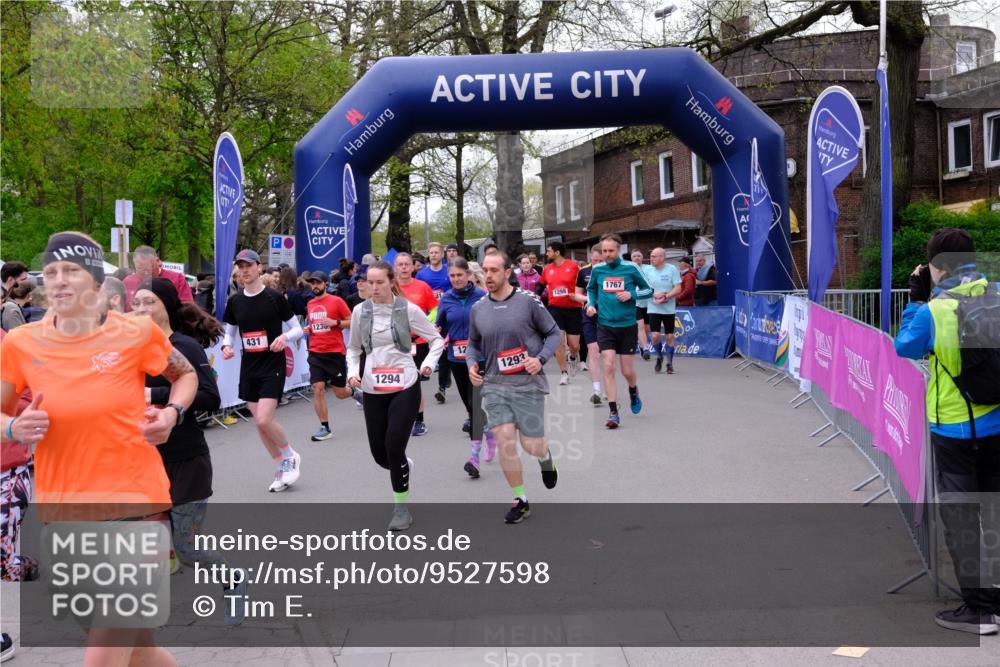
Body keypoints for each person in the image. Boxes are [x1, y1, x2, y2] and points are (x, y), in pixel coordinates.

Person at [1, 231, 197, 666]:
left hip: (135, 506)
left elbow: (185, 377)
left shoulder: (136, 332)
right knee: (137, 647)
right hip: (64, 510)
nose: (58, 280)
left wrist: (171, 414)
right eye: (51, 272)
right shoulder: (21, 343)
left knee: (103, 655)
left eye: (70, 270)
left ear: (94, 281)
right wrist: (14, 425)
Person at [894, 228, 1000, 635]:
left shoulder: (933, 311)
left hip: (956, 428)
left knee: (961, 518)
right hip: (996, 421)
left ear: (936, 267)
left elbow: (905, 346)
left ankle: (979, 611)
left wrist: (917, 298)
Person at [132, 277, 247, 625]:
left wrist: (155, 397)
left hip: (185, 462)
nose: (139, 309)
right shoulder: (128, 350)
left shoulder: (182, 347)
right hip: (142, 462)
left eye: (148, 302)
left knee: (188, 549)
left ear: (166, 306)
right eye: (135, 303)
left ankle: (232, 581)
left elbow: (210, 397)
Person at [347, 261, 444, 531]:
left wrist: (429, 364)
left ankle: (401, 508)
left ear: (392, 282)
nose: (374, 287)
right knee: (380, 455)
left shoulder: (408, 309)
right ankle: (401, 465)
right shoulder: (359, 312)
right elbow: (353, 349)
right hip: (373, 387)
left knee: (393, 446)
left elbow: (436, 340)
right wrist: (352, 371)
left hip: (405, 384)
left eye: (380, 282)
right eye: (370, 282)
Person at [468, 251, 561, 523]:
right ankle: (520, 500)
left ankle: (545, 458)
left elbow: (554, 333)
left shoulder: (528, 302)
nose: (488, 276)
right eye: (485, 270)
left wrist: (540, 359)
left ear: (508, 272)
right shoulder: (478, 308)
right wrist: (472, 364)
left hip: (527, 385)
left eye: (494, 270)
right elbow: (473, 344)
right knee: (506, 442)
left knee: (531, 445)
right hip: (495, 386)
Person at [221, 249, 306, 492]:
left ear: (259, 268)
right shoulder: (235, 301)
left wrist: (284, 338)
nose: (244, 270)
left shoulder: (273, 298)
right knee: (259, 424)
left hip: (273, 364)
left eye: (249, 265)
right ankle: (281, 466)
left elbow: (298, 329)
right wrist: (227, 346)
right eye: (240, 266)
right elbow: (231, 330)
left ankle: (290, 456)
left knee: (263, 418)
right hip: (249, 366)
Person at [585, 233, 653, 429]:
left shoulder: (630, 268)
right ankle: (613, 411)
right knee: (608, 366)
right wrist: (590, 304)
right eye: (604, 251)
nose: (607, 254)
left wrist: (630, 294)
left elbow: (648, 290)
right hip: (605, 325)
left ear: (619, 250)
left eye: (611, 251)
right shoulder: (598, 270)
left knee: (627, 370)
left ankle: (633, 390)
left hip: (627, 325)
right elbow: (591, 290)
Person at [435, 258, 488, 477]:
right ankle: (489, 433)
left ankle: (474, 458)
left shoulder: (482, 297)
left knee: (475, 404)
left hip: (479, 358)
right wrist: (437, 336)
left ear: (468, 275)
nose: (456, 279)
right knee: (469, 405)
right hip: (456, 359)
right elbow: (440, 326)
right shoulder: (446, 299)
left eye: (460, 275)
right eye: (452, 276)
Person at [304, 271, 362, 441]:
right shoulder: (310, 303)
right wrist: (308, 329)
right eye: (312, 283)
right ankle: (325, 427)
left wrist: (335, 323)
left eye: (317, 283)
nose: (314, 286)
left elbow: (352, 322)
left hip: (334, 353)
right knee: (318, 389)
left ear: (325, 283)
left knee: (339, 392)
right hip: (315, 352)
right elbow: (313, 324)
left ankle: (353, 392)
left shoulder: (336, 301)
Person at [394, 253, 438, 436]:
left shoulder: (422, 287)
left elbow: (435, 308)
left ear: (413, 267)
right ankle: (398, 417)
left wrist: (425, 325)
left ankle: (419, 420)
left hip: (418, 342)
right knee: (398, 382)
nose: (404, 267)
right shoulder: (390, 288)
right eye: (400, 265)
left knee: (415, 382)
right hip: (396, 342)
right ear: (395, 268)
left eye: (407, 264)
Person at [540, 241, 582, 386]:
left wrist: (579, 295)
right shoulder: (547, 269)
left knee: (574, 345)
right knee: (558, 341)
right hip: (555, 308)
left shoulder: (573, 266)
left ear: (557, 252)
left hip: (573, 308)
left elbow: (582, 284)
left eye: (549, 251)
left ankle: (573, 357)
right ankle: (564, 373)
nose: (547, 254)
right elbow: (541, 285)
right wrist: (534, 298)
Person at [416, 243, 453, 404]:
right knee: (429, 350)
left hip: (446, 315)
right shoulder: (422, 274)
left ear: (442, 254)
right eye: (431, 253)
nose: (434, 255)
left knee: (443, 351)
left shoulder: (448, 271)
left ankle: (442, 387)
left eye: (437, 252)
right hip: (427, 318)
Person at [574, 244, 606, 404]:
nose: (597, 264)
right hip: (588, 314)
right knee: (594, 351)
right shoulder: (583, 272)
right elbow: (577, 295)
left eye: (600, 261)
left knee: (607, 355)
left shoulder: (612, 271)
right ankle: (596, 390)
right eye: (594, 260)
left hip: (608, 316)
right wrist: (589, 301)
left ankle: (608, 387)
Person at [645, 248, 683, 374]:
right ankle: (659, 356)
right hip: (653, 307)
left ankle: (669, 363)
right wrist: (654, 294)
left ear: (662, 257)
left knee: (669, 336)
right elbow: (643, 287)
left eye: (654, 256)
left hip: (668, 308)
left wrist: (666, 296)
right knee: (655, 336)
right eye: (651, 256)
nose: (652, 259)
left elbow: (678, 288)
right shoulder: (647, 270)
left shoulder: (672, 269)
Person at [123, 245, 193, 310]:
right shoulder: (128, 282)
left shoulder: (177, 278)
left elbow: (187, 308)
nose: (146, 273)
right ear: (134, 265)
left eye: (150, 268)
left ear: (158, 261)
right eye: (140, 269)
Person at [630, 250, 652, 360]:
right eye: (634, 256)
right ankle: (645, 348)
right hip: (636, 303)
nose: (637, 258)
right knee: (640, 326)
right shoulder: (629, 269)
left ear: (642, 258)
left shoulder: (649, 268)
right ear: (631, 258)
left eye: (639, 256)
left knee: (647, 328)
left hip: (648, 302)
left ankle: (641, 343)